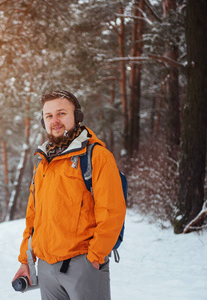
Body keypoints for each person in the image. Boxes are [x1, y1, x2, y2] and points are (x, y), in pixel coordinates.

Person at [12, 90, 126, 300]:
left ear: (77, 116)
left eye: (61, 113)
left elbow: (112, 212)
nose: (55, 121)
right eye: (48, 116)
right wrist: (25, 260)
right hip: (47, 269)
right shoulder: (43, 163)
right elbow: (33, 218)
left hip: (83, 266)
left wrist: (94, 257)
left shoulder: (97, 156)